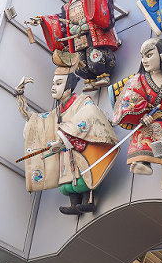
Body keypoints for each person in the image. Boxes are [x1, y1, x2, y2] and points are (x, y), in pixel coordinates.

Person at [16, 67, 119, 215]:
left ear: (69, 88)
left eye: (58, 83)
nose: (53, 87)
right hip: (66, 150)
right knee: (67, 182)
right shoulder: (57, 112)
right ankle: (74, 204)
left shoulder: (83, 101)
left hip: (81, 146)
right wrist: (20, 94)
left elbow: (90, 114)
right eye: (53, 83)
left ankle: (88, 201)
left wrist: (66, 133)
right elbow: (33, 120)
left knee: (85, 175)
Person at [111, 38, 162, 190]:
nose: (144, 60)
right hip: (147, 121)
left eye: (149, 55)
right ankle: (142, 163)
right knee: (144, 139)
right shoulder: (139, 79)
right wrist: (141, 115)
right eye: (142, 56)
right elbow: (132, 97)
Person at [26, 0, 118, 89]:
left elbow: (100, 1)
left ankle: (103, 74)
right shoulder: (67, 7)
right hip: (77, 37)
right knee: (79, 61)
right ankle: (89, 79)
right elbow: (60, 20)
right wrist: (43, 20)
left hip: (92, 33)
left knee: (95, 55)